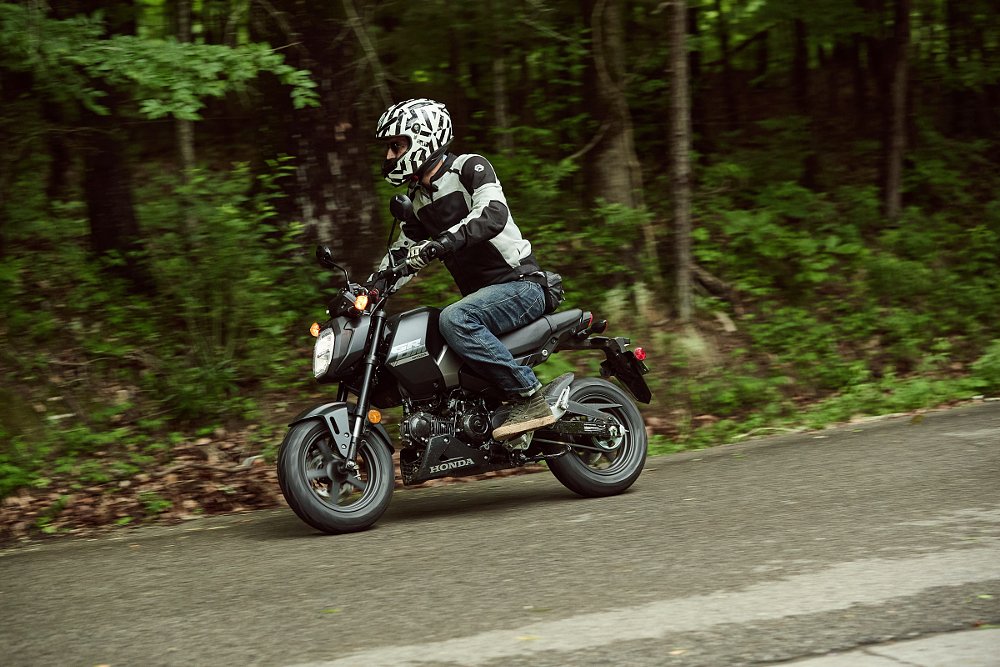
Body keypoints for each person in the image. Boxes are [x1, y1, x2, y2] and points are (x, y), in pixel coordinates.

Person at [372, 98, 555, 442]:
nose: (389, 155)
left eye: (396, 145)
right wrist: (370, 289)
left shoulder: (470, 167)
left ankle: (529, 396)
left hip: (522, 285)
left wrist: (442, 242)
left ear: (422, 137)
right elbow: (402, 254)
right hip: (485, 299)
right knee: (429, 333)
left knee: (454, 319)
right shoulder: (419, 199)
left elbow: (492, 213)